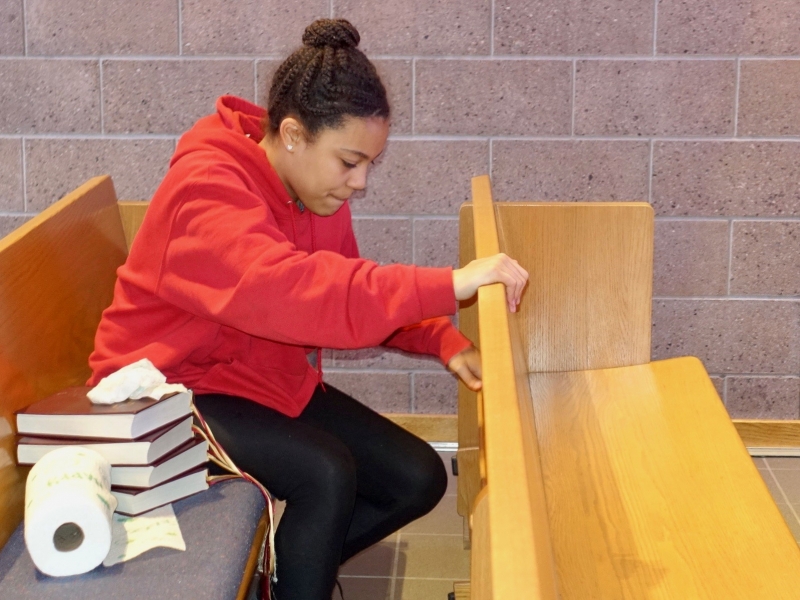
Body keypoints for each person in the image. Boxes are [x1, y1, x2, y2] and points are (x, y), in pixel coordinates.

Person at [88, 18, 528, 600]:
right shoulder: (205, 189)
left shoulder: (313, 193)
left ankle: (282, 579)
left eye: (370, 164)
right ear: (293, 134)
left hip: (251, 379)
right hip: (163, 391)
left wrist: (440, 340)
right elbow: (295, 291)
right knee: (325, 473)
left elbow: (345, 284)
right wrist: (450, 283)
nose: (360, 182)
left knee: (416, 478)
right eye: (349, 161)